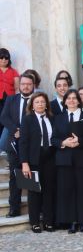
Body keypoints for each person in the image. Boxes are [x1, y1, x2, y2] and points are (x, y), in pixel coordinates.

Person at [53, 89, 83, 233]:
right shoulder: (58, 118)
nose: (71, 101)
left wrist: (81, 141)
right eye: (69, 98)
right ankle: (72, 221)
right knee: (68, 191)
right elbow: (53, 139)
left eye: (74, 98)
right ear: (65, 101)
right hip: (64, 160)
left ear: (79, 100)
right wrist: (64, 143)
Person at [0, 71, 36, 217]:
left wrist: (25, 132)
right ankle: (14, 207)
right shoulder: (11, 99)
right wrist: (16, 129)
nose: (26, 87)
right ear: (19, 85)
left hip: (31, 144)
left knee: (29, 175)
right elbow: (4, 117)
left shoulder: (37, 100)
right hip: (14, 143)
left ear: (33, 85)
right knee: (15, 176)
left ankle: (34, 209)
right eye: (23, 84)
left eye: (28, 84)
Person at [18, 92, 55, 232]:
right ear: (32, 105)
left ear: (46, 104)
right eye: (37, 102)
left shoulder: (51, 118)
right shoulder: (27, 119)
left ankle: (48, 222)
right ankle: (34, 222)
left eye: (42, 102)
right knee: (34, 192)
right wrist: (24, 163)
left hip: (50, 157)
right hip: (33, 158)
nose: (40, 104)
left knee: (48, 190)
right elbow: (23, 142)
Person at [0, 47, 19, 138]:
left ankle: (6, 142)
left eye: (6, 58)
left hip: (10, 100)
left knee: (7, 120)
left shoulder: (13, 71)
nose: (4, 60)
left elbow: (17, 87)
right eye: (1, 57)